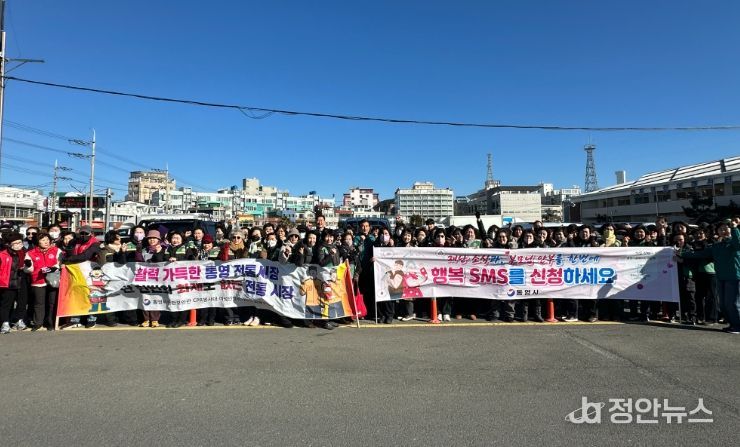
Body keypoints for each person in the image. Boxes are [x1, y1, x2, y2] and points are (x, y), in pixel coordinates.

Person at [680, 220, 740, 334]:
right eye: (720, 229)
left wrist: (734, 228)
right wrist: (682, 253)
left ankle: (738, 326)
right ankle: (732, 324)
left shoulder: (734, 243)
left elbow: (738, 243)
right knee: (723, 304)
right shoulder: (716, 246)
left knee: (733, 303)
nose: (723, 230)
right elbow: (700, 254)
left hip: (734, 277)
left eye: (725, 228)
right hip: (720, 277)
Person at [61, 225, 103, 329]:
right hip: (77, 271)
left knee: (92, 294)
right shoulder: (75, 241)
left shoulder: (95, 244)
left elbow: (86, 256)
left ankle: (92, 318)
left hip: (91, 271)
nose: (83, 235)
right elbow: (68, 253)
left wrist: (70, 259)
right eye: (82, 233)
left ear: (91, 234)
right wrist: (70, 249)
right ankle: (75, 319)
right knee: (77, 294)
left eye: (86, 233)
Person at [24, 232, 61, 331]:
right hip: (38, 280)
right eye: (43, 240)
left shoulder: (56, 250)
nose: (46, 242)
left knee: (52, 303)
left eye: (48, 240)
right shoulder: (30, 253)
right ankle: (38, 323)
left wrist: (53, 268)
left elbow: (60, 263)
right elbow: (27, 270)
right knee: (39, 303)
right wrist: (28, 266)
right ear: (38, 241)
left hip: (53, 279)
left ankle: (50, 322)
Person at [187, 234, 221, 326]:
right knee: (203, 299)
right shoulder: (199, 252)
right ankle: (202, 319)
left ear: (212, 243)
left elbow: (221, 262)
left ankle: (211, 319)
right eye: (205, 243)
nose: (206, 245)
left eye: (208, 243)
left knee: (213, 299)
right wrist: (194, 255)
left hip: (214, 279)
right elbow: (194, 263)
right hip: (202, 279)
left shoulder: (217, 251)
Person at [0, 233, 28, 333]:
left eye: (20, 242)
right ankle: (5, 323)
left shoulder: (25, 253)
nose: (18, 245)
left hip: (22, 281)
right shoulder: (3, 254)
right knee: (6, 304)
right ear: (9, 244)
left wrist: (27, 266)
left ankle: (19, 320)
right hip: (8, 282)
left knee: (22, 302)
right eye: (15, 243)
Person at [220, 230, 247, 326]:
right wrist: (224, 249)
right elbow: (222, 260)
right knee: (227, 297)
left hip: (241, 278)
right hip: (228, 277)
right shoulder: (226, 247)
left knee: (239, 297)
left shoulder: (245, 248)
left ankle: (238, 317)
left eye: (238, 237)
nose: (236, 239)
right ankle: (229, 317)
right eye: (234, 237)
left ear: (242, 238)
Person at [141, 229, 166, 328]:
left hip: (158, 278)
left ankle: (155, 319)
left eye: (154, 238)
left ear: (158, 239)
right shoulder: (144, 250)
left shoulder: (164, 249)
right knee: (145, 297)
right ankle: (146, 319)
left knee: (156, 297)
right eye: (150, 238)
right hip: (145, 277)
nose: (152, 240)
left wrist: (158, 252)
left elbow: (161, 262)